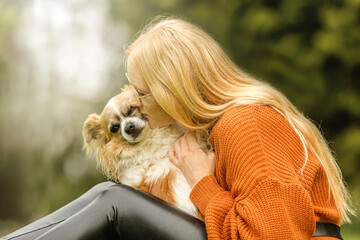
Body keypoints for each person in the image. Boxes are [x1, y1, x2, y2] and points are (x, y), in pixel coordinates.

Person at [2, 16, 353, 240]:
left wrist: (202, 183)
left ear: (172, 87)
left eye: (142, 92)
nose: (136, 103)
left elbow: (277, 236)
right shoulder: (218, 127)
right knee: (102, 195)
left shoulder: (247, 124)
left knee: (114, 203)